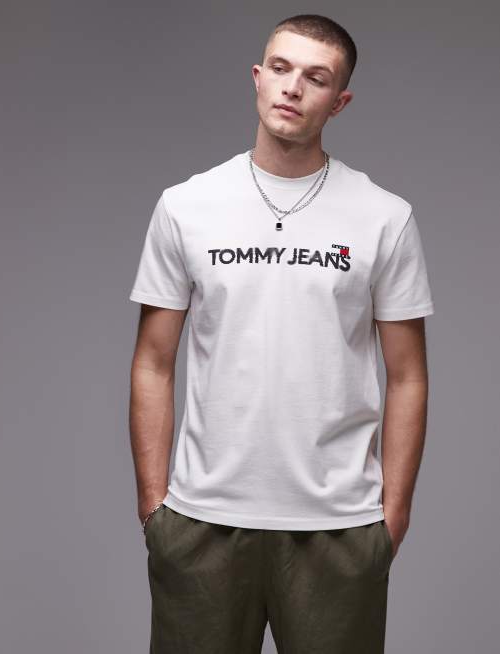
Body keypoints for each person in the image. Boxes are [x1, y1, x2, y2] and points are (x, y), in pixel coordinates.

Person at [128, 13, 435, 654]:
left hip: (340, 527)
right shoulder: (186, 207)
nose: (293, 87)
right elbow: (153, 361)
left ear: (339, 101)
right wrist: (155, 507)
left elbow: (408, 375)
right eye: (280, 68)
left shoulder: (384, 218)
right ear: (257, 77)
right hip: (202, 522)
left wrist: (392, 517)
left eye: (316, 78)